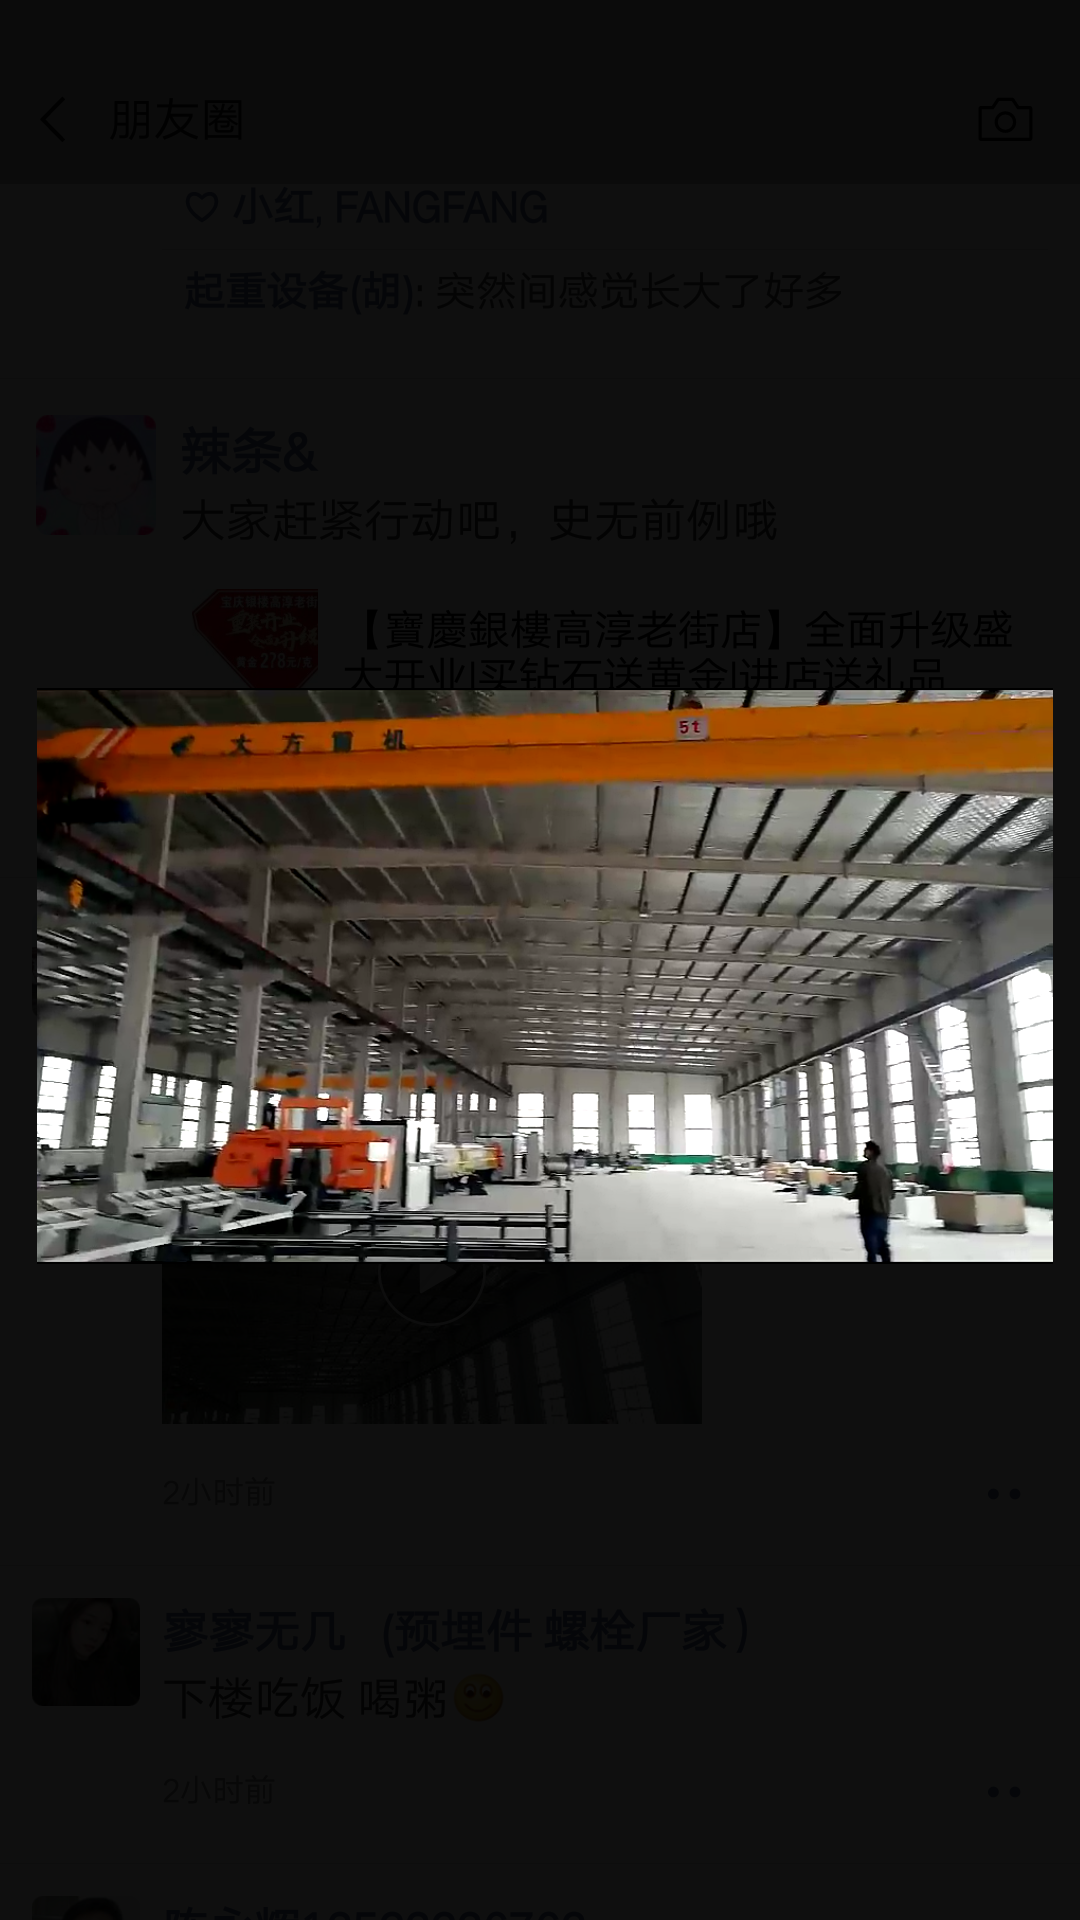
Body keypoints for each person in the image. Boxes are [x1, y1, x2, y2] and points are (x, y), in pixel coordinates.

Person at [34, 1598, 122, 1705]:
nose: (95, 1636)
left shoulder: (110, 1670)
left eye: (104, 1629)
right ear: (70, 1620)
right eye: (87, 1622)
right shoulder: (41, 1673)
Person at [852, 1141, 894, 1262]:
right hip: (884, 1212)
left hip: (869, 1211)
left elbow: (860, 1188)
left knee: (870, 1244)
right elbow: (892, 1194)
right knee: (882, 1241)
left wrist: (850, 1195)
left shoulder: (863, 1168)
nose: (864, 1151)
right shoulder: (886, 1171)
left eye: (866, 1149)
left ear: (870, 1152)